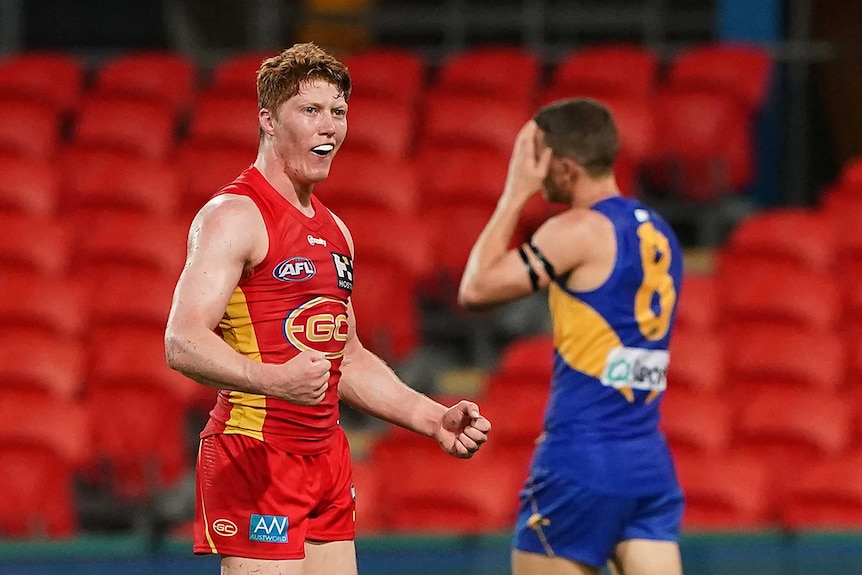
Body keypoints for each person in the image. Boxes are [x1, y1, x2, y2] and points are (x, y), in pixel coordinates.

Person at [164, 42, 491, 575]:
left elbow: (350, 358)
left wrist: (433, 419)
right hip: (256, 452)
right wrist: (272, 380)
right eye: (310, 110)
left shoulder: (335, 230)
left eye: (337, 112)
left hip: (325, 457)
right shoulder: (234, 214)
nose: (329, 126)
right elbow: (181, 339)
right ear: (267, 120)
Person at [458, 98, 685, 575]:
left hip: (582, 460)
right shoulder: (660, 232)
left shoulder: (578, 230)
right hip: (648, 465)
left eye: (540, 166)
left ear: (564, 167)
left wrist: (513, 195)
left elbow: (475, 288)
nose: (538, 177)